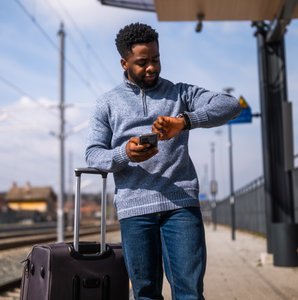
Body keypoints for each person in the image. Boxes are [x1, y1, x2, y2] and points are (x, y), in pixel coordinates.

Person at [85, 23, 241, 300]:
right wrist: (125, 153)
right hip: (134, 210)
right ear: (124, 62)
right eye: (142, 62)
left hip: (180, 205)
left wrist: (185, 122)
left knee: (190, 293)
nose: (151, 68)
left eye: (156, 59)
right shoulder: (106, 104)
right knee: (145, 294)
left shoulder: (180, 93)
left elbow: (230, 105)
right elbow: (94, 155)